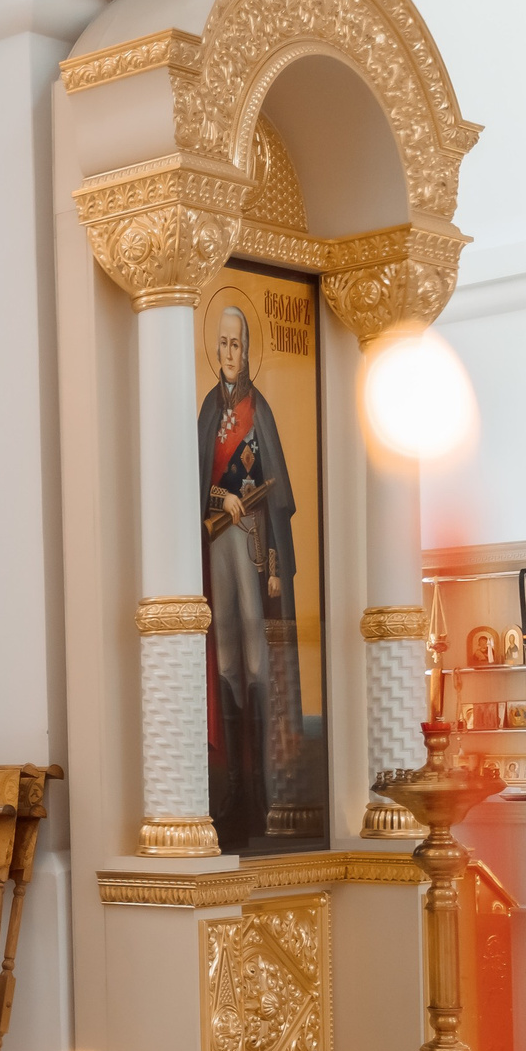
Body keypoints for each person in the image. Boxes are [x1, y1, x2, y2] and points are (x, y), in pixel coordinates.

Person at [198, 302, 306, 850]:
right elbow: (195, 479)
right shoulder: (207, 411)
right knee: (226, 657)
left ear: (247, 351)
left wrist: (250, 506)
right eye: (222, 343)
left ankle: (261, 785)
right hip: (217, 542)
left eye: (236, 344)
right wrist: (220, 496)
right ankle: (235, 786)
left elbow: (278, 491)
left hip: (252, 545)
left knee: (256, 658)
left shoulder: (257, 409)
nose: (228, 352)